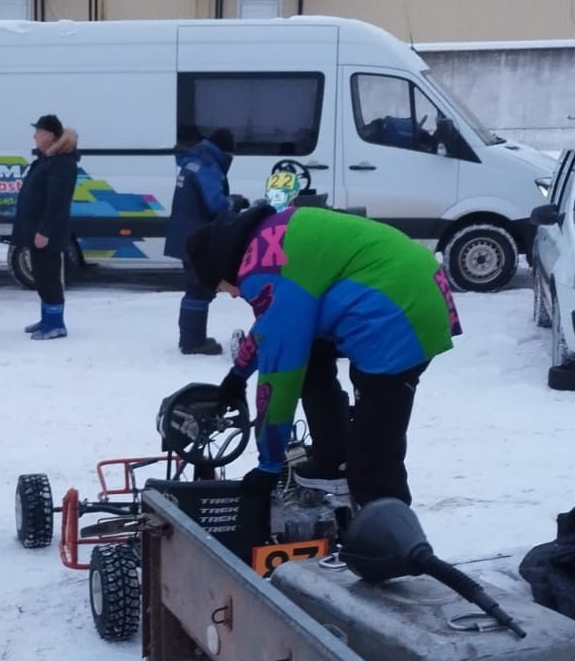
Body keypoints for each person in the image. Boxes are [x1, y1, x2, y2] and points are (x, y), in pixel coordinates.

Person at [187, 202, 460, 512]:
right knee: (314, 357)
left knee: (373, 455)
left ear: (220, 268)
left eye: (224, 289)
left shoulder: (260, 269)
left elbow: (280, 375)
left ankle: (391, 544)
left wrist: (268, 465)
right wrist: (237, 377)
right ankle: (333, 457)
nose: (235, 295)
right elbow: (273, 325)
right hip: (412, 287)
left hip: (396, 316)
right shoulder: (268, 240)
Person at [166, 128, 235, 355]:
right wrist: (234, 203)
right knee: (199, 288)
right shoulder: (207, 166)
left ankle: (191, 337)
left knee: (196, 287)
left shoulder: (193, 160)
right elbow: (215, 204)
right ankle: (193, 342)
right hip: (197, 237)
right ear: (225, 151)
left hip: (185, 233)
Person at [13, 113, 79, 340]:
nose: (34, 136)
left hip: (46, 232)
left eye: (39, 132)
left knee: (49, 276)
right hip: (35, 229)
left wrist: (45, 231)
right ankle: (46, 318)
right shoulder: (46, 159)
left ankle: (56, 324)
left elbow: (57, 202)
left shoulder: (62, 163)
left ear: (50, 136)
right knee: (40, 275)